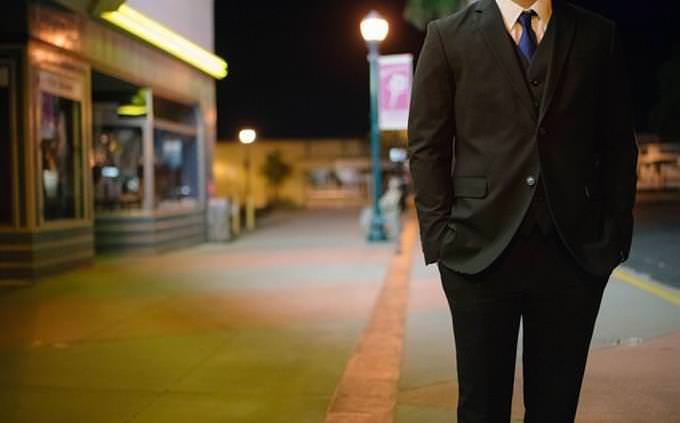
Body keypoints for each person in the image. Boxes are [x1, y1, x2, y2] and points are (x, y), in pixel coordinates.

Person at [407, 0, 638, 422]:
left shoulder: (597, 35)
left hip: (572, 256)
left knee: (556, 408)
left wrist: (614, 237)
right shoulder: (447, 36)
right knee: (481, 409)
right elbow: (427, 148)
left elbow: (619, 144)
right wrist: (440, 237)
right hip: (477, 252)